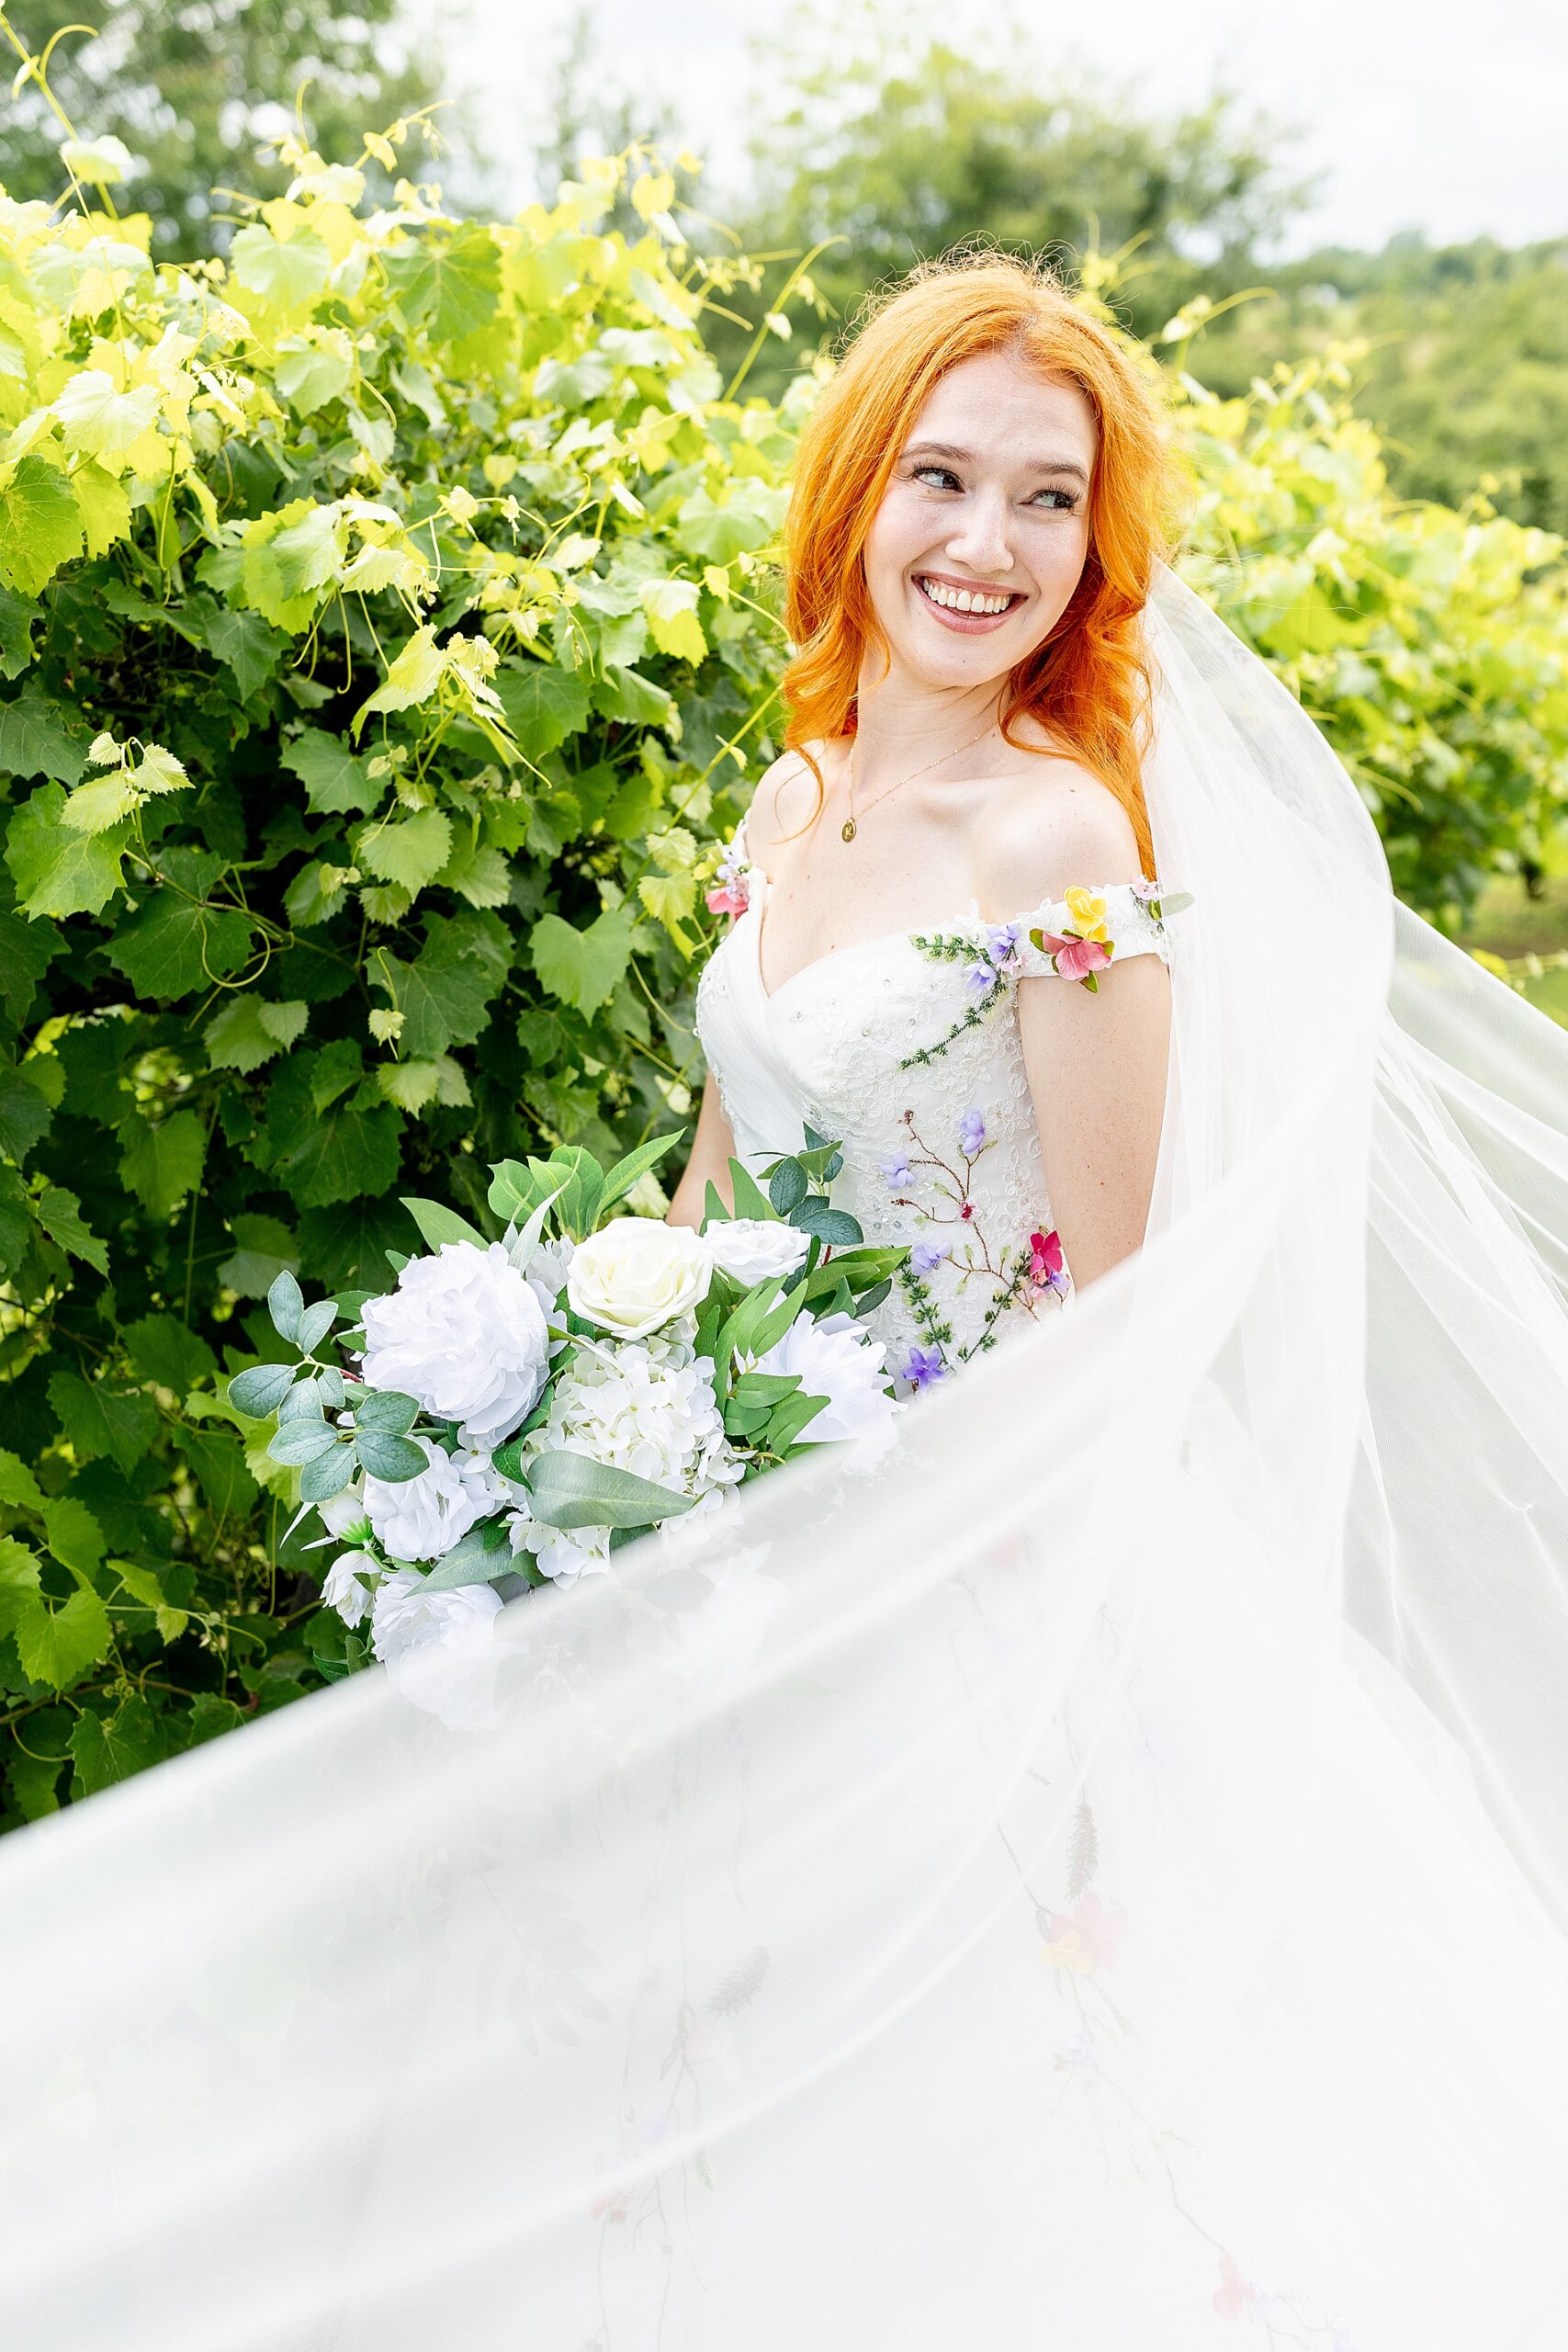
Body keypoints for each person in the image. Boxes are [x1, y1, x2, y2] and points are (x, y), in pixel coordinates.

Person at [4, 254, 1568, 2350]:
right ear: (856, 490)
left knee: (967, 2100)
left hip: (978, 1565)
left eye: (1043, 498)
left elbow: (1115, 1298)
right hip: (741, 1548)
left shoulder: (1058, 838)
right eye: (940, 474)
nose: (984, 542)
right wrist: (581, 1397)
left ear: (1094, 544)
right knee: (666, 2074)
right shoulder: (793, 794)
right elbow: (716, 1177)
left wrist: (922, 1529)